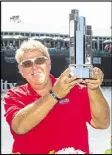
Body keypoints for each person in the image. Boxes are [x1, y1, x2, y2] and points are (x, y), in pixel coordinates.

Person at [3, 40, 110, 154]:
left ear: (49, 63)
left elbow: (102, 123)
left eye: (40, 61)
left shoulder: (76, 88)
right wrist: (55, 94)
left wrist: (94, 87)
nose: (34, 67)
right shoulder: (14, 95)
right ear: (21, 70)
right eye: (27, 63)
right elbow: (19, 127)